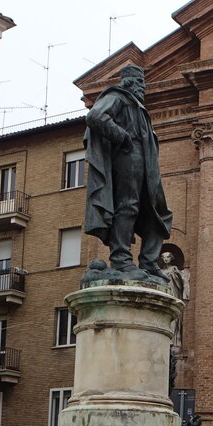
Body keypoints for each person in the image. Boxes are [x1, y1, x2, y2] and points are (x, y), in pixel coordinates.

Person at [84, 64, 173, 281]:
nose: (144, 88)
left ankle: (149, 264)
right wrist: (122, 136)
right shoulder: (119, 97)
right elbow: (95, 116)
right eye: (140, 83)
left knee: (160, 214)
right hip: (128, 155)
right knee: (128, 206)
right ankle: (121, 260)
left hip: (145, 161)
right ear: (129, 82)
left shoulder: (135, 104)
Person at [159, 250, 189, 348]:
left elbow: (182, 281)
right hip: (163, 293)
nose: (166, 259)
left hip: (173, 292)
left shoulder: (174, 269)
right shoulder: (160, 271)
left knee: (173, 315)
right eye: (164, 257)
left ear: (171, 258)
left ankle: (173, 339)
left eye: (168, 257)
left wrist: (176, 275)